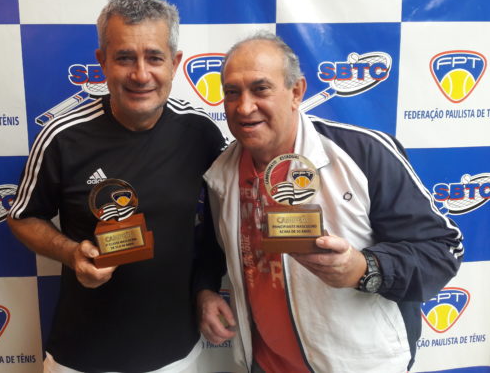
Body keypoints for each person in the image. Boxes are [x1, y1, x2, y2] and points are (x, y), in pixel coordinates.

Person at [196, 32, 464, 372]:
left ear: (296, 92)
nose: (244, 107)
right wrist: (205, 290)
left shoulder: (362, 153)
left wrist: (364, 269)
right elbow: (214, 250)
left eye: (260, 89)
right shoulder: (221, 171)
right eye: (232, 92)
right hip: (263, 364)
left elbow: (442, 250)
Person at [8, 0, 225, 373]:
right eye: (125, 58)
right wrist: (71, 253)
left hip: (176, 353)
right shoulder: (62, 136)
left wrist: (206, 287)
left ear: (175, 63)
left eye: (154, 58)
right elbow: (23, 218)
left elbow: (217, 227)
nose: (140, 74)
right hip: (82, 357)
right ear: (102, 61)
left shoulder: (201, 133)